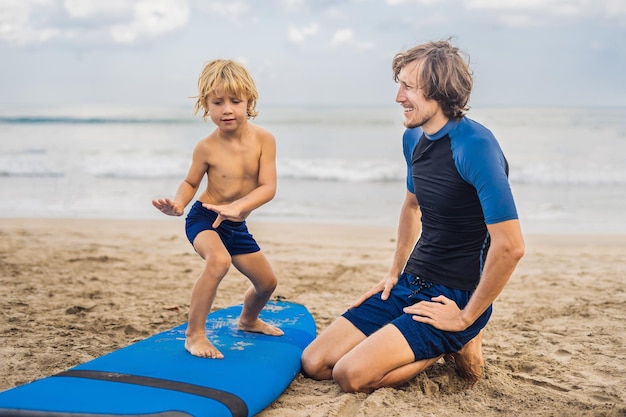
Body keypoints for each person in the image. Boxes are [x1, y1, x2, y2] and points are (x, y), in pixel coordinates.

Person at [301, 39, 525, 393]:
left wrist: (466, 316)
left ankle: (460, 338)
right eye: (399, 84)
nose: (398, 97)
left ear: (440, 90)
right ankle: (435, 337)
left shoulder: (476, 147)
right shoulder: (414, 138)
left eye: (408, 86)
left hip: (454, 296)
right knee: (315, 363)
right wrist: (394, 273)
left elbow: (510, 247)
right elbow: (412, 205)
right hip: (412, 280)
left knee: (350, 375)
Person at [152, 59, 283, 359]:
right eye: (218, 102)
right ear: (205, 105)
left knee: (267, 283)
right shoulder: (206, 147)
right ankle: (194, 334)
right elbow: (190, 181)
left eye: (235, 101)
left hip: (235, 224)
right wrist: (179, 204)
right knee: (218, 262)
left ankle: (248, 320)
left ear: (249, 101)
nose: (227, 109)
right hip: (205, 218)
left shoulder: (265, 140)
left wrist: (239, 207)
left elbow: (268, 187)